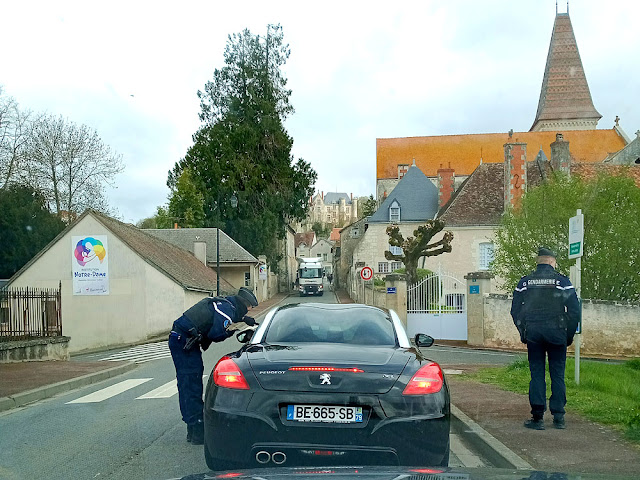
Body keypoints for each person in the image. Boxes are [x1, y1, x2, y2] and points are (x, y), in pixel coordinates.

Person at [168, 287, 258, 444]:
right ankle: (196, 429)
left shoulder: (224, 304)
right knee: (191, 383)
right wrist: (235, 328)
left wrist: (242, 320)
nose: (249, 311)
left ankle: (192, 428)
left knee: (188, 382)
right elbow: (217, 334)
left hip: (182, 339)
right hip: (184, 341)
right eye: (249, 308)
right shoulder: (226, 309)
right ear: (244, 304)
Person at [511, 247, 580, 430]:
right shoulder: (562, 282)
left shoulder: (525, 282)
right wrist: (569, 335)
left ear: (539, 260)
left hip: (534, 333)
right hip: (557, 332)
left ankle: (537, 417)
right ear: (552, 261)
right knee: (558, 374)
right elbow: (574, 311)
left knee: (537, 374)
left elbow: (515, 310)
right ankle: (559, 417)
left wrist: (523, 332)